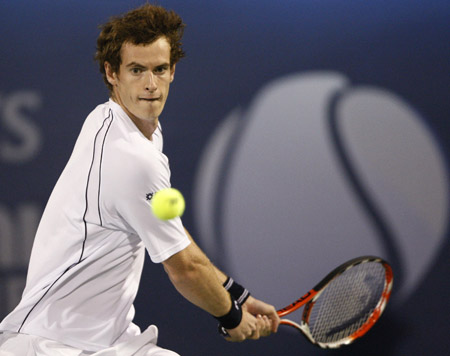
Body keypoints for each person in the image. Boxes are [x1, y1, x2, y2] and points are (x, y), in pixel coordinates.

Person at [0, 4, 279, 355]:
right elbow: (185, 269)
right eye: (136, 70)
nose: (150, 84)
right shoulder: (130, 157)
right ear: (112, 73)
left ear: (173, 71)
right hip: (51, 346)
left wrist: (235, 293)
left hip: (106, 342)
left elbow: (172, 232)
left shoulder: (119, 122)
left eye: (159, 69)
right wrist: (230, 315)